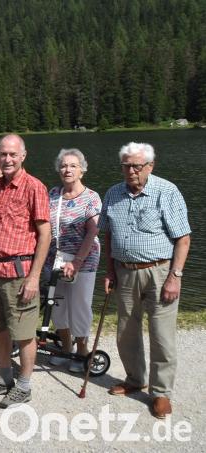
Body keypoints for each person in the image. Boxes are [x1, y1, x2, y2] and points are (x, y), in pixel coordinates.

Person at [100, 142, 190, 419]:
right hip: (124, 271)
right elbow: (108, 235)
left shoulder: (167, 191)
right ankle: (135, 379)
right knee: (126, 329)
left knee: (161, 334)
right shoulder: (113, 193)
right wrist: (110, 271)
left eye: (137, 166)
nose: (131, 171)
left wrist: (175, 276)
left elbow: (183, 239)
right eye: (126, 165)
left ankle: (161, 392)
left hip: (159, 272)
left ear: (150, 166)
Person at [0, 134, 50, 408]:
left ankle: (24, 385)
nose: (7, 159)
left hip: (21, 272)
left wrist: (34, 277)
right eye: (3, 154)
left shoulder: (34, 187)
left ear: (23, 156)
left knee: (24, 332)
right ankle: (5, 377)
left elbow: (45, 235)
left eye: (12, 154)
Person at [44, 149, 101, 373]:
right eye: (64, 166)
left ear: (82, 170)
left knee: (79, 306)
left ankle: (82, 351)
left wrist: (77, 262)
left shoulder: (91, 197)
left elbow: (92, 232)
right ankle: (66, 347)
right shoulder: (53, 194)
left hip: (83, 260)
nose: (67, 170)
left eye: (73, 166)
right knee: (57, 304)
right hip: (56, 259)